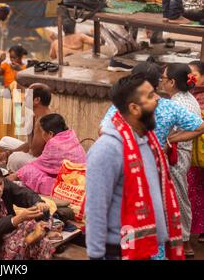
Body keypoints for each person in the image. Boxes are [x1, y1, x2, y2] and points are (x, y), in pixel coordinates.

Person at [87, 74, 184, 260]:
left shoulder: (148, 141)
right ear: (134, 108)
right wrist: (96, 255)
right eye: (150, 96)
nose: (157, 99)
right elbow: (96, 209)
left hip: (143, 248)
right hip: (119, 251)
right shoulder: (107, 149)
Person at [101, 62, 204, 147]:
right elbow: (200, 126)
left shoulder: (122, 104)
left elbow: (103, 130)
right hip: (154, 161)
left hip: (132, 159)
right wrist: (167, 140)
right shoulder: (170, 107)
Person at [160, 63, 200, 257]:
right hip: (183, 154)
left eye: (164, 79)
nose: (162, 82)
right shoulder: (188, 98)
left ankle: (183, 241)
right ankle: (183, 240)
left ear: (172, 82)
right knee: (180, 196)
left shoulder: (177, 103)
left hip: (177, 155)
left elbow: (196, 128)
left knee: (177, 197)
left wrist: (170, 139)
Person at [9, 113, 86, 196]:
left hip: (69, 185)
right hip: (82, 180)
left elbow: (34, 153)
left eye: (42, 132)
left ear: (50, 133)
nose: (42, 135)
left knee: (27, 170)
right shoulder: (71, 135)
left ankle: (16, 184)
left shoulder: (54, 143)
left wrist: (16, 175)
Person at [0, 83, 52, 173]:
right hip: (34, 152)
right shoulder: (35, 116)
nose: (24, 98)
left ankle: (17, 178)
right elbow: (30, 144)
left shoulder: (44, 120)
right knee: (4, 141)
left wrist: (29, 128)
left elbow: (34, 152)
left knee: (14, 158)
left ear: (37, 100)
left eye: (27, 96)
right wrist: (8, 152)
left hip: (43, 162)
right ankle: (9, 160)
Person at [187, 60, 204, 244]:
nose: (190, 79)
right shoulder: (188, 96)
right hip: (193, 152)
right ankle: (196, 228)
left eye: (194, 75)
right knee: (194, 188)